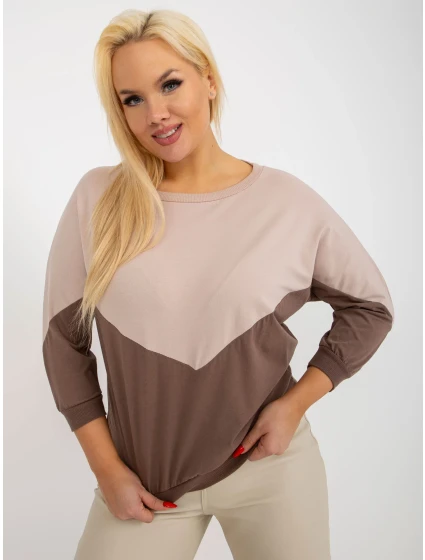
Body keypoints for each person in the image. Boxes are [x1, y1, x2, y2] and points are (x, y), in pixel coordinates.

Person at [41, 8, 395, 560]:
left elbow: (371, 307)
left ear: (208, 80)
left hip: (270, 470)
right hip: (144, 482)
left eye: (170, 85)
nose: (156, 113)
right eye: (132, 99)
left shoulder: (286, 203)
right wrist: (106, 468)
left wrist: (295, 404)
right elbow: (62, 343)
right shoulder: (100, 200)